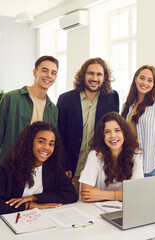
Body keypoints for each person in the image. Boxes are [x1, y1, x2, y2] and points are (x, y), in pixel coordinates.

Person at [0, 56, 59, 189]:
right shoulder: (11, 98)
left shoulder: (53, 109)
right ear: (35, 72)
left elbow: (51, 146)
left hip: (36, 176)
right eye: (45, 70)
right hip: (9, 171)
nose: (49, 76)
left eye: (53, 72)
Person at [0, 122, 78, 217]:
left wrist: (34, 198)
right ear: (29, 142)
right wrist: (29, 205)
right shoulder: (9, 166)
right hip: (13, 221)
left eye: (51, 144)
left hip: (43, 219)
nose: (47, 147)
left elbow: (71, 194)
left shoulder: (53, 166)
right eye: (41, 142)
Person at [57, 57, 119, 194]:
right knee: (72, 207)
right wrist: (64, 163)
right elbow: (59, 135)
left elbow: (113, 133)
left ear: (104, 78)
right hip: (72, 168)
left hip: (100, 169)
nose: (94, 78)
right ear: (83, 75)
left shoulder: (112, 98)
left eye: (99, 74)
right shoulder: (65, 99)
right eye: (90, 73)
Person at [79, 112, 143, 202]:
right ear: (102, 136)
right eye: (107, 132)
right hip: (96, 208)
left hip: (126, 209)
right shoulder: (95, 155)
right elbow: (86, 195)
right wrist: (124, 195)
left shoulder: (136, 155)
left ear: (124, 133)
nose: (113, 135)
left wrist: (101, 194)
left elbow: (138, 193)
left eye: (117, 130)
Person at [121, 65, 155, 177]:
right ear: (135, 79)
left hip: (152, 168)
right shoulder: (126, 106)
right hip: (130, 167)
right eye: (142, 78)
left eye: (150, 80)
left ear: (154, 84)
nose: (145, 83)